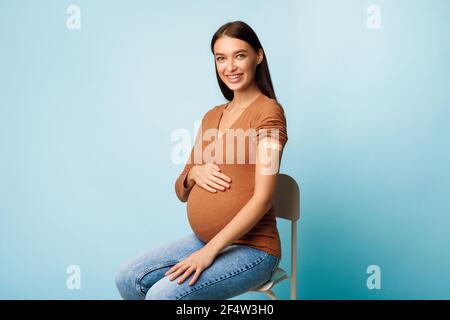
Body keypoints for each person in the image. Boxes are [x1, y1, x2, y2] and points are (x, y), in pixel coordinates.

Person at [115, 20, 288, 300]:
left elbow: (263, 199)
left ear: (258, 56)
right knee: (128, 277)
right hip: (204, 239)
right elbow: (181, 189)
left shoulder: (268, 114)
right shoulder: (212, 116)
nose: (229, 67)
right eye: (221, 58)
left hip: (254, 249)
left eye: (239, 55)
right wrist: (194, 173)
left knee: (163, 296)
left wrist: (208, 252)